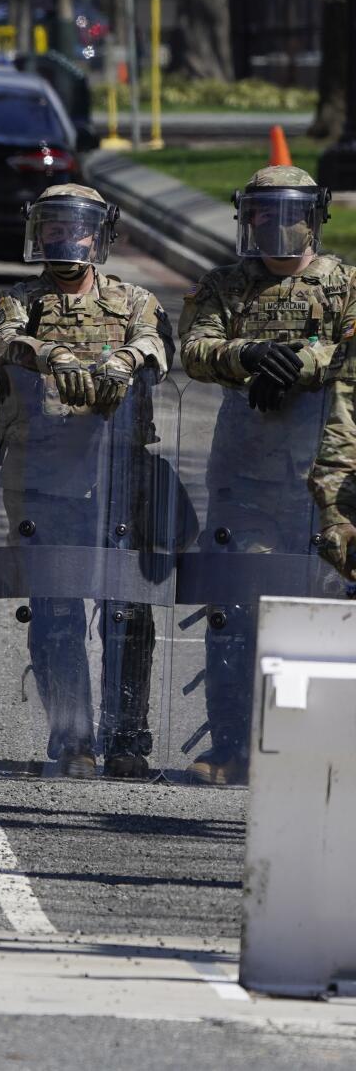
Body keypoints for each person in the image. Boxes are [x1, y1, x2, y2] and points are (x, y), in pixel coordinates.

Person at [0, 183, 171, 778]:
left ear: (99, 235)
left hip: (117, 469)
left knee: (127, 605)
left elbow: (159, 345)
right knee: (57, 607)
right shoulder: (21, 300)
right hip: (41, 469)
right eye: (55, 228)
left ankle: (126, 740)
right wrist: (47, 355)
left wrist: (129, 359)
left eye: (78, 229)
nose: (68, 241)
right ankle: (72, 739)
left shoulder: (133, 300)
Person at [177, 164, 355, 785]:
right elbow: (194, 350)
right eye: (261, 214)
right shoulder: (228, 284)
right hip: (245, 473)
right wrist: (246, 354)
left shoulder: (346, 285)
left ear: (312, 217)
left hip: (324, 476)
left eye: (287, 214)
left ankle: (314, 746)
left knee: (323, 606)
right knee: (234, 607)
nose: (274, 227)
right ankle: (231, 745)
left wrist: (304, 361)